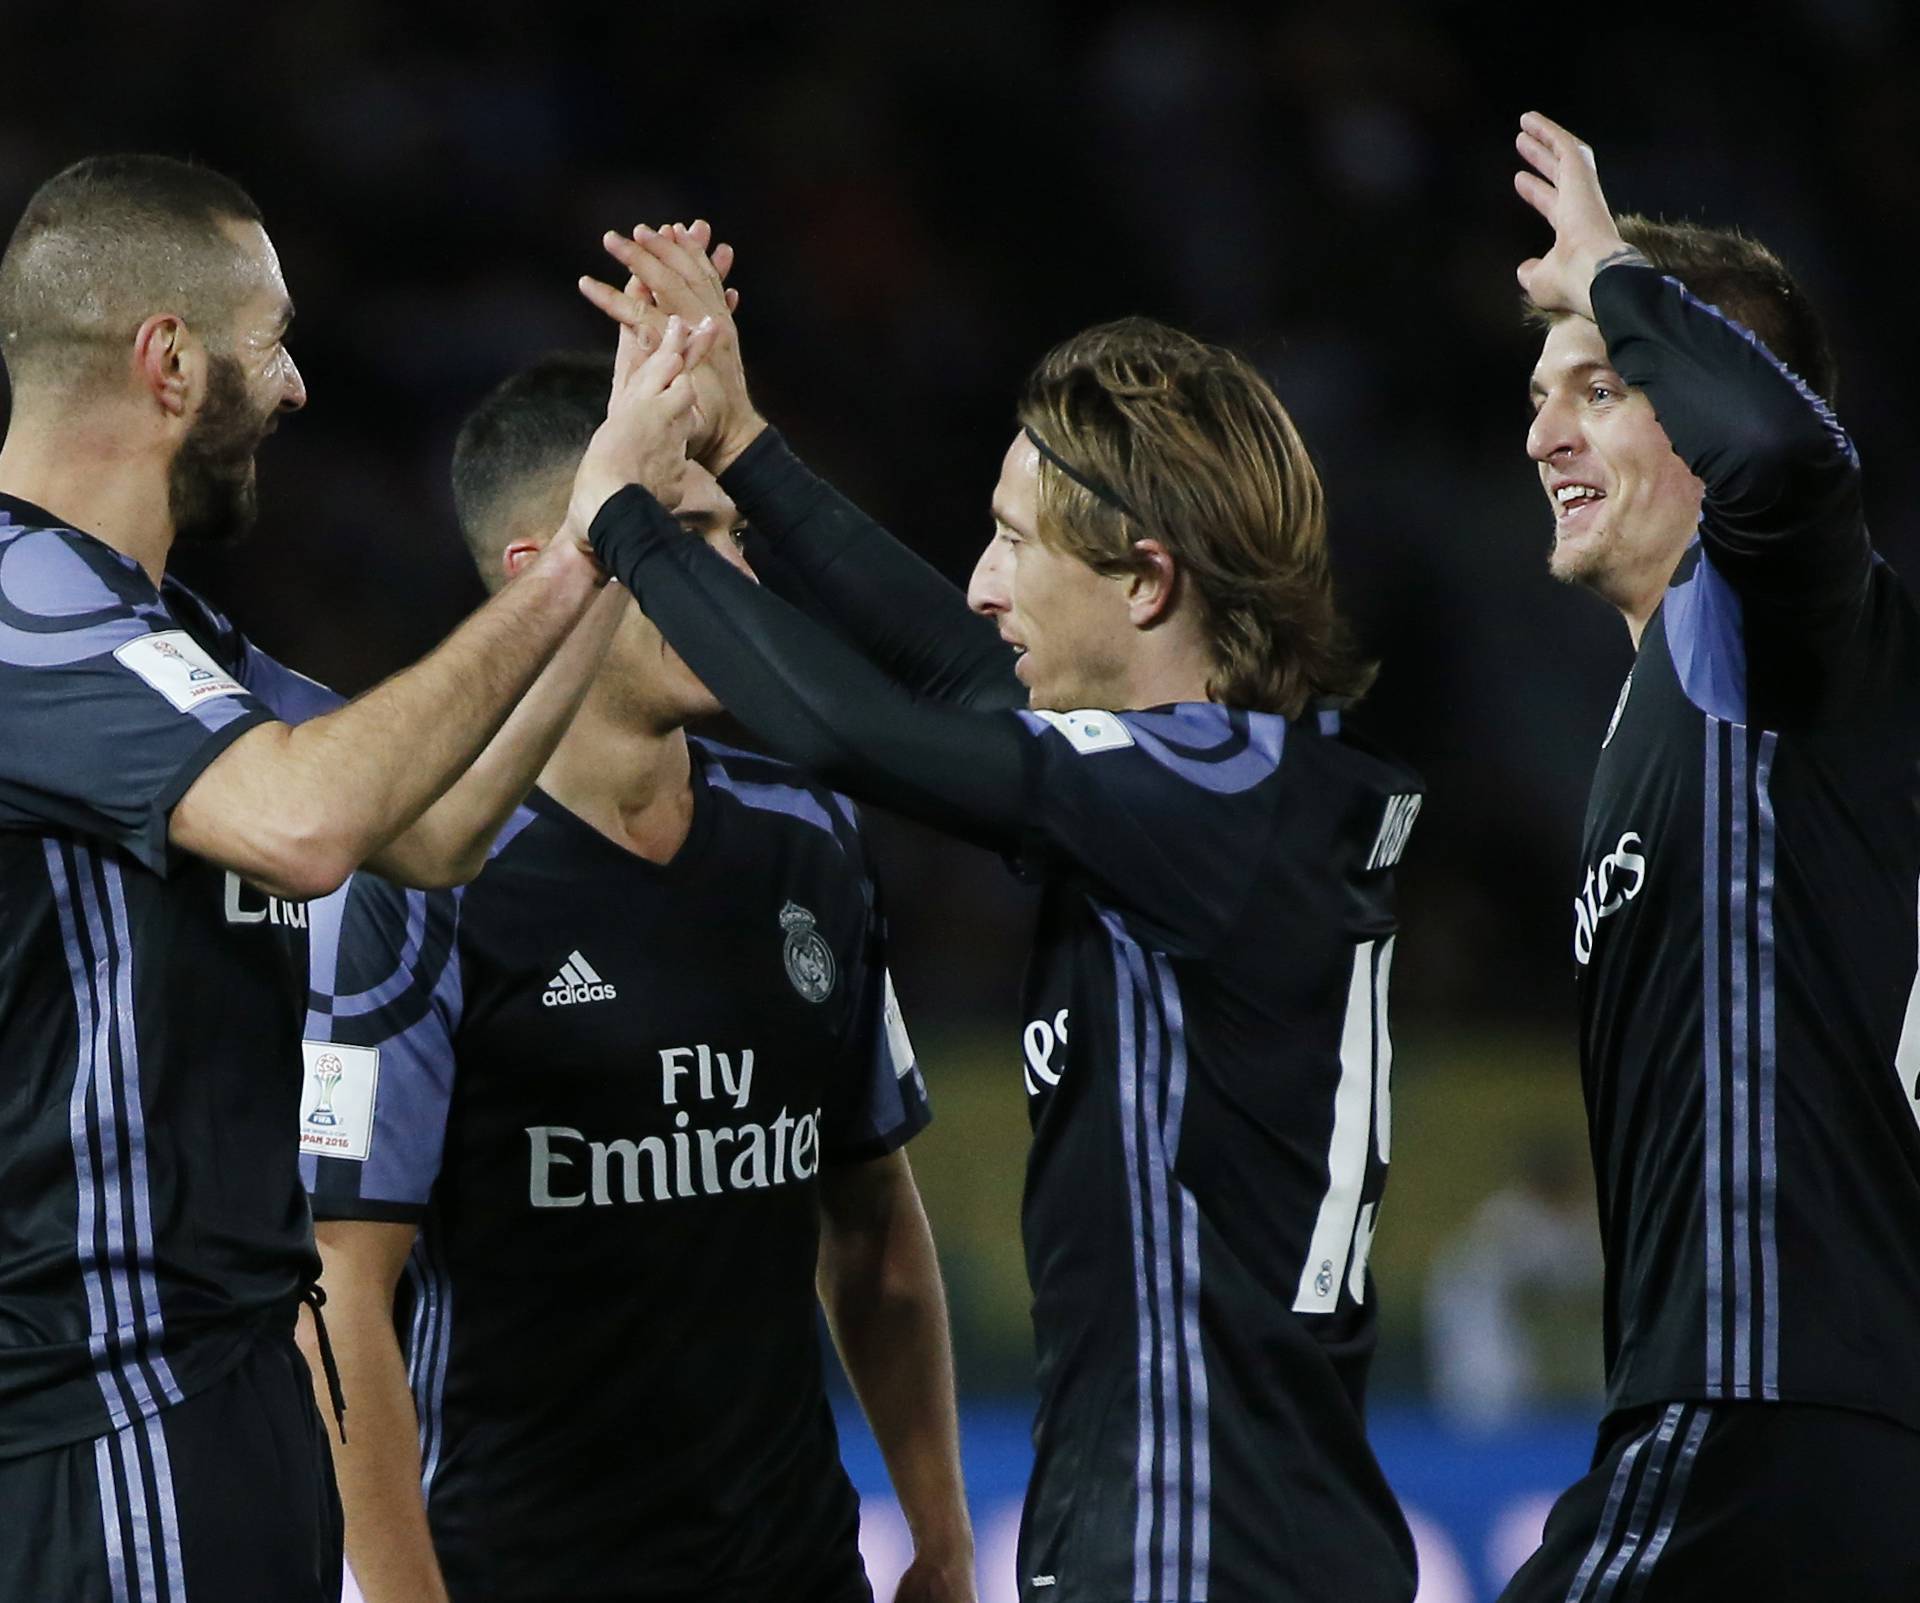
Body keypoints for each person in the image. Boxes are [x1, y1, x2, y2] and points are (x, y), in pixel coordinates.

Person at [565, 223, 1426, 1603]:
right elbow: (956, 675)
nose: (981, 579)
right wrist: (742, 443)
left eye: (1016, 544)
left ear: (1146, 580)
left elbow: (850, 730)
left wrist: (627, 522)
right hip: (1246, 1523)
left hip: (1191, 1546)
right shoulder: (1231, 784)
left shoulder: (1185, 796)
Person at [0, 156, 714, 1602]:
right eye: (271, 344)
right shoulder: (19, 606)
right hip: (100, 1409)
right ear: (170, 360)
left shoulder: (163, 634)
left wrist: (618, 521)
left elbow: (435, 822)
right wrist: (585, 539)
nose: (298, 385)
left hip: (225, 1385)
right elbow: (306, 821)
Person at [298, 352, 975, 1603]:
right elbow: (341, 1288)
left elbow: (873, 1223)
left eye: (736, 535)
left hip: (800, 1574)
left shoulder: (807, 837)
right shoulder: (422, 881)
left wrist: (941, 1536)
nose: (740, 575)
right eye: (685, 538)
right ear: (547, 574)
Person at [1498, 112, 1920, 1601]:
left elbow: (1793, 462)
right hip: (1816, 1414)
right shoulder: (1670, 697)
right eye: (1543, 393)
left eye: (1599, 386)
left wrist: (1614, 263)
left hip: (1760, 1402)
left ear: (1698, 392)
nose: (1545, 432)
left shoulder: (1760, 631)